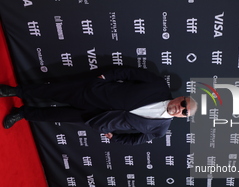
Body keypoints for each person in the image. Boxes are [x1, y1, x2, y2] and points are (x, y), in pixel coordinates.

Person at [1, 67, 197, 145]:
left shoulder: (160, 130)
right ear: (180, 97)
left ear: (183, 117)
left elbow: (136, 140)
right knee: (50, 92)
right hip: (95, 93)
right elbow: (129, 74)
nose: (181, 109)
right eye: (183, 104)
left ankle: (22, 113)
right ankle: (15, 91)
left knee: (55, 115)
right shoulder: (158, 86)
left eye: (184, 112)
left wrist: (115, 136)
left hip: (98, 119)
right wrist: (106, 77)